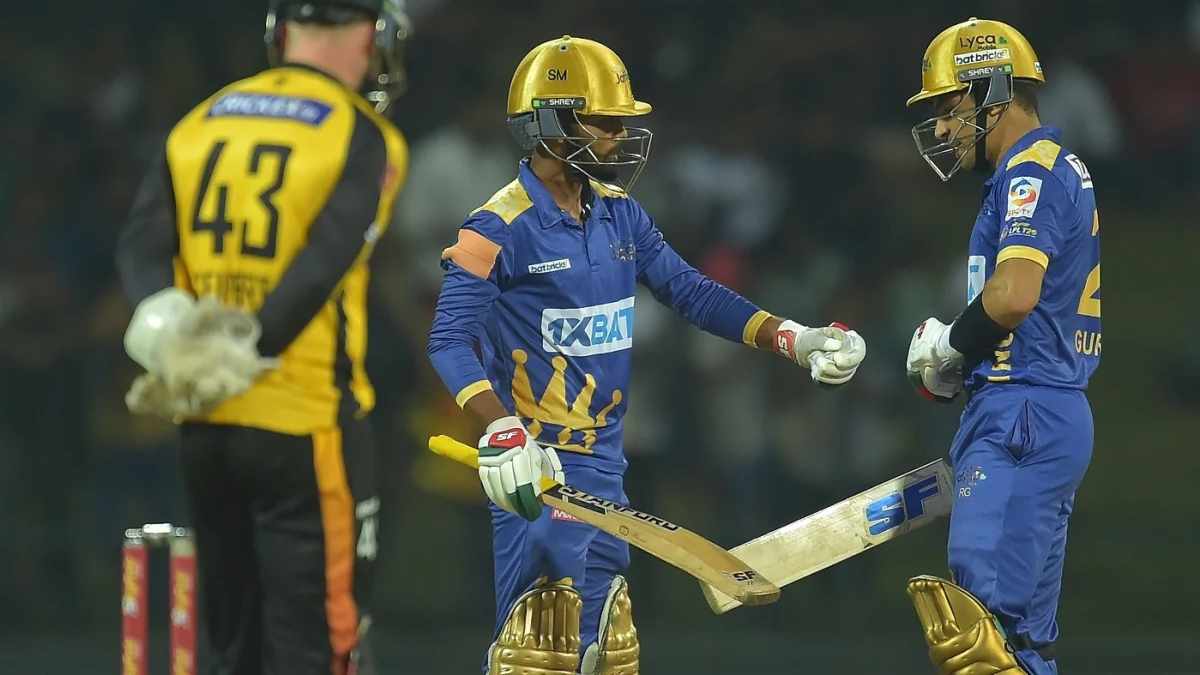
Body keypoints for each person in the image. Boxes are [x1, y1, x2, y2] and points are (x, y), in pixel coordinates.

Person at [426, 35, 867, 675]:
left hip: (607, 473)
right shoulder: (495, 227)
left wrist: (791, 337)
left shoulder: (621, 215)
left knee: (610, 657)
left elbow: (689, 290)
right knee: (538, 655)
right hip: (538, 472)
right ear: (550, 122)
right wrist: (501, 430)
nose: (619, 136)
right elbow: (448, 339)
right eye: (604, 122)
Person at [115, 1, 411, 672]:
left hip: (204, 418)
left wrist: (175, 343)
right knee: (321, 645)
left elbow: (140, 247)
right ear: (372, 35)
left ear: (281, 32)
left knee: (231, 647)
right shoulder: (363, 135)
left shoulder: (201, 120)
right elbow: (322, 266)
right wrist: (250, 349)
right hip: (305, 423)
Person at [903, 18, 1101, 675]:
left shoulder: (1030, 172)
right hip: (1040, 409)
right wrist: (963, 359)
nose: (940, 128)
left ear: (990, 89)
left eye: (947, 106)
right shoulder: (1044, 168)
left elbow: (1014, 294)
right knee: (1022, 646)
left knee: (977, 634)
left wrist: (950, 346)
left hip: (1022, 414)